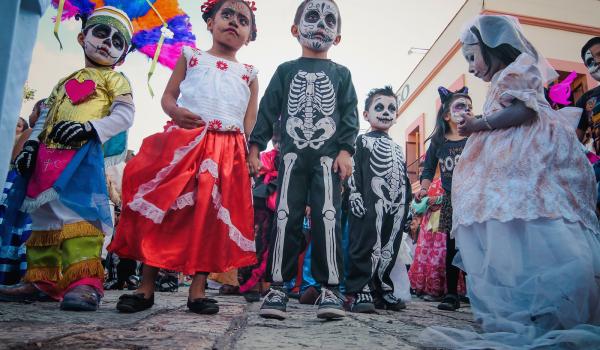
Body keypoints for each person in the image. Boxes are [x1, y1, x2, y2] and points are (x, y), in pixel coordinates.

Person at [422, 15, 600, 349]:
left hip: (532, 160)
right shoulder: (501, 78)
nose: (472, 67)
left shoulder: (520, 67)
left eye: (473, 57)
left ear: (492, 47)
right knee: (512, 230)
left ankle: (551, 308)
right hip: (512, 163)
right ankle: (527, 307)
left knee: (538, 224)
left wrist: (480, 123)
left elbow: (525, 112)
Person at [109, 0, 259, 315]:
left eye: (242, 20)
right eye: (227, 15)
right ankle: (145, 286)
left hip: (228, 153)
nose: (234, 22)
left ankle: (198, 290)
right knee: (167, 210)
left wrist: (252, 153)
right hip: (189, 144)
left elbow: (250, 120)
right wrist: (175, 112)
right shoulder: (190, 57)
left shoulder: (249, 73)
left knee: (210, 219)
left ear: (250, 35)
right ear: (210, 22)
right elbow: (168, 96)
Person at [0, 6, 136, 311]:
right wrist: (31, 147)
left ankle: (85, 284)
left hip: (82, 158)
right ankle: (41, 280)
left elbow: (125, 115)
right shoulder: (63, 81)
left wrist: (91, 128)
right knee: (43, 217)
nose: (106, 43)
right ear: (81, 36)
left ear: (123, 56)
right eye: (101, 33)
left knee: (80, 218)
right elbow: (45, 117)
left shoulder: (116, 80)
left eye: (117, 41)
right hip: (46, 157)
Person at [248, 0, 359, 320]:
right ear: (295, 29)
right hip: (292, 158)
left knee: (329, 220)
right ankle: (278, 288)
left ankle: (330, 288)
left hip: (327, 160)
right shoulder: (285, 71)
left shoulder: (342, 74)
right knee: (285, 216)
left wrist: (346, 150)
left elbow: (350, 115)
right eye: (312, 17)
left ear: (337, 36)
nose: (321, 24)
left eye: (329, 20)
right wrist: (255, 147)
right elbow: (268, 111)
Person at [345, 86, 411, 313]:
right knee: (365, 244)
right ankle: (360, 288)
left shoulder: (398, 147)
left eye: (391, 108)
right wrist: (353, 193)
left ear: (396, 115)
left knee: (389, 247)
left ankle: (382, 288)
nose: (385, 112)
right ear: (366, 115)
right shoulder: (361, 141)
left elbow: (403, 177)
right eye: (379, 107)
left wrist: (407, 204)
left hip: (396, 203)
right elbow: (353, 169)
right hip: (369, 202)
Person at [415, 86, 471, 311]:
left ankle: (477, 290)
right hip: (450, 198)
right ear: (447, 115)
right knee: (452, 245)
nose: (466, 110)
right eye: (460, 106)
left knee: (476, 245)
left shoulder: (474, 136)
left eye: (469, 107)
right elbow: (428, 169)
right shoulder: (438, 141)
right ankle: (451, 294)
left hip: (474, 197)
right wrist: (424, 189)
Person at [576, 37, 600, 152]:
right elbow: (574, 144)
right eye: (590, 61)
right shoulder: (586, 99)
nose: (597, 61)